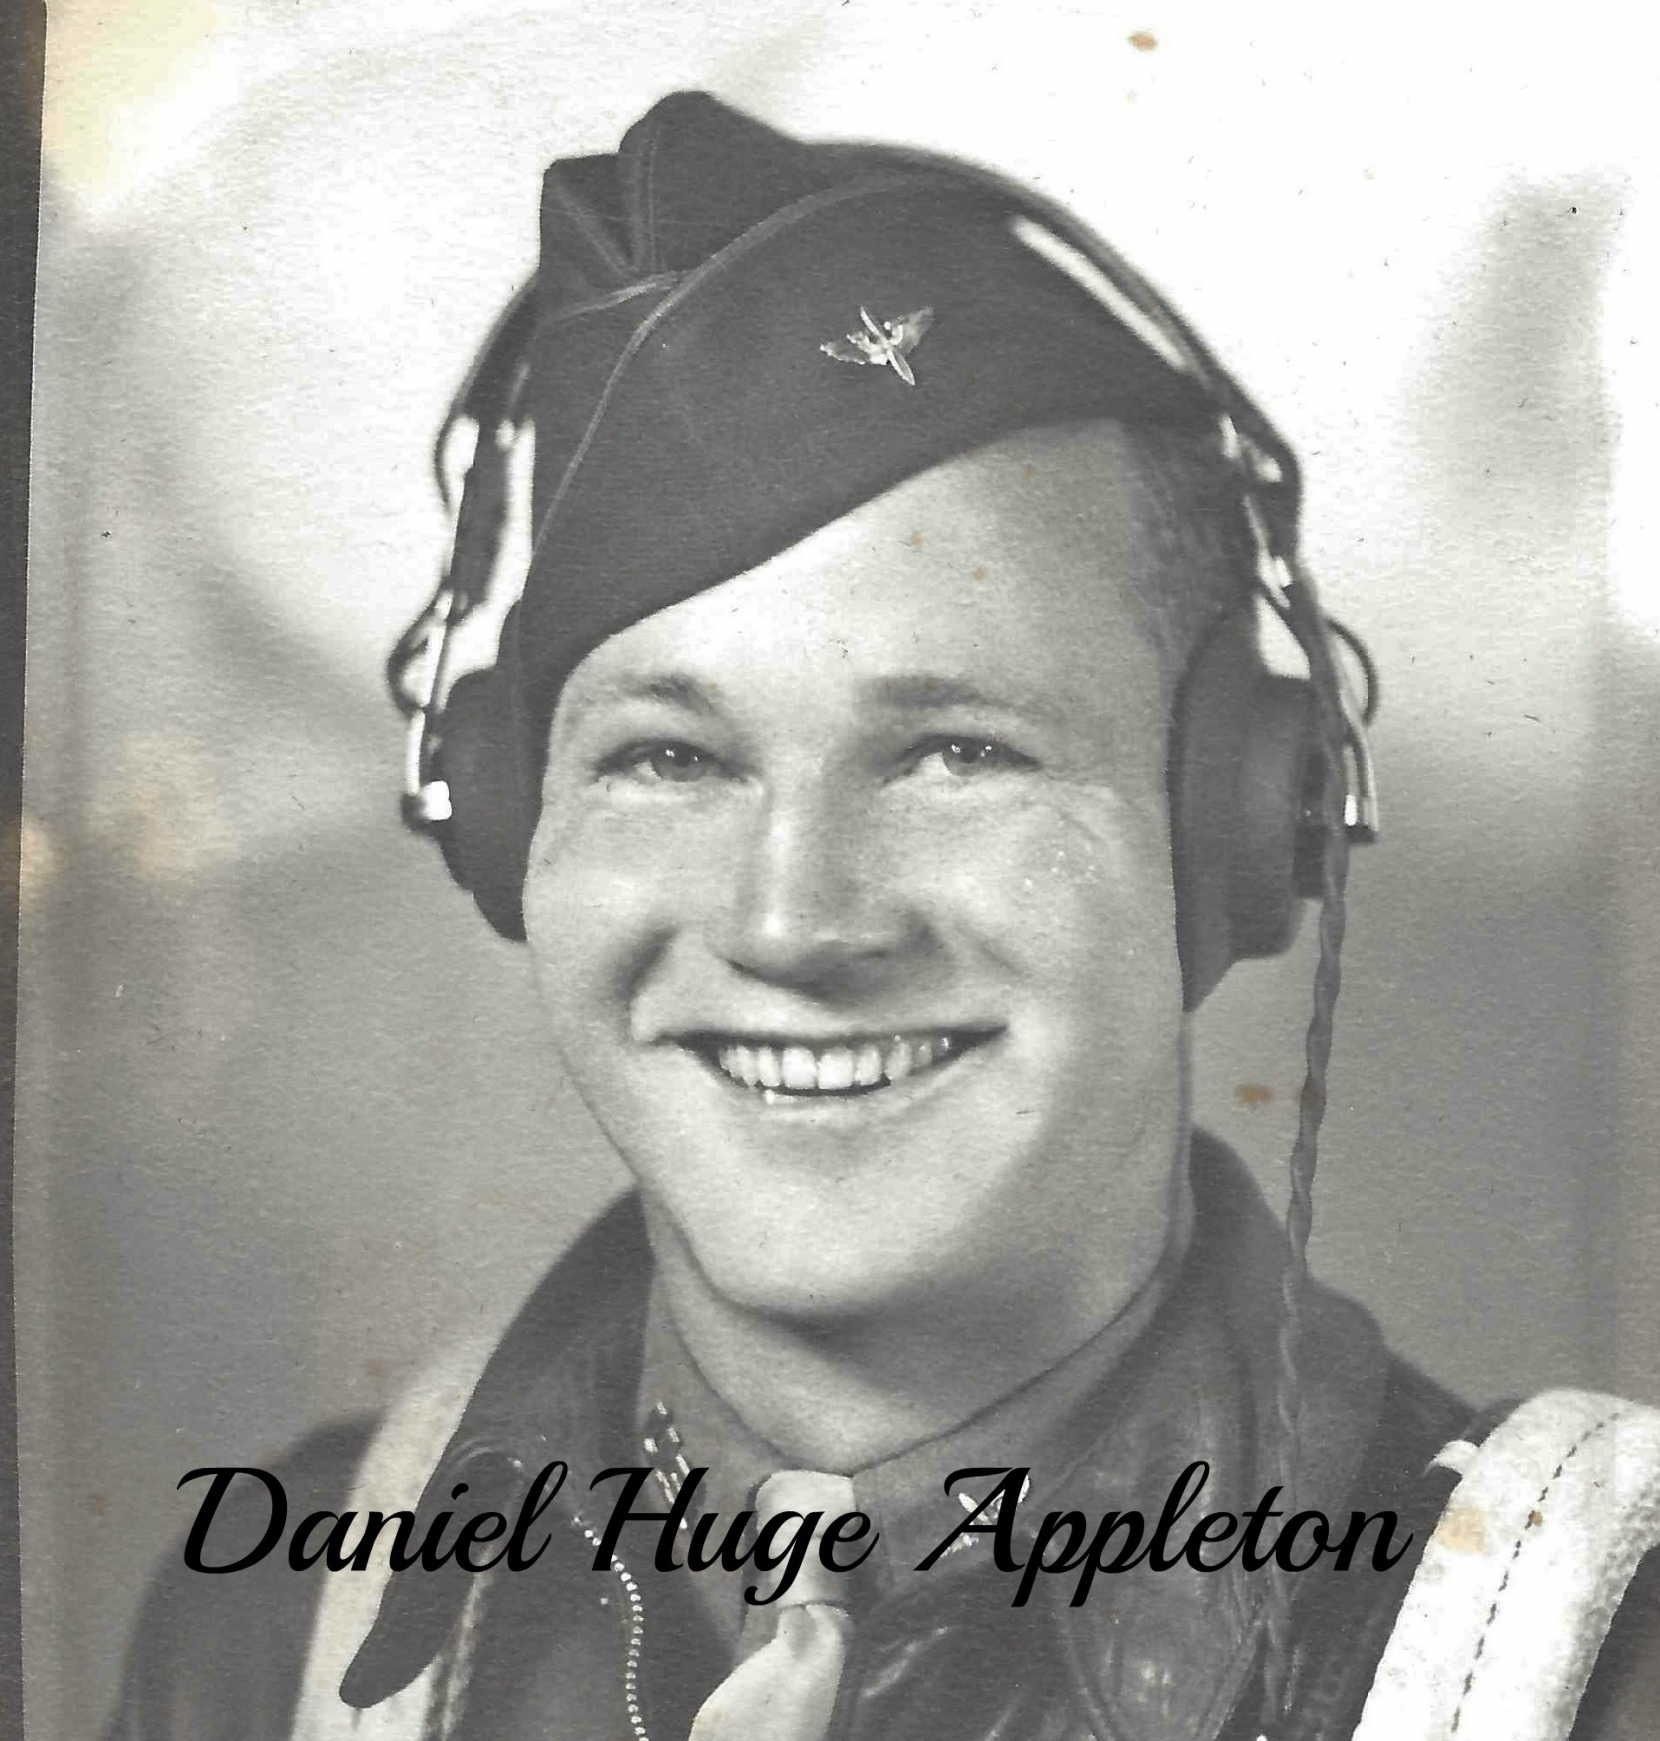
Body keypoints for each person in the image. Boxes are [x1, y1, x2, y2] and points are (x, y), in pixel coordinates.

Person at [108, 91, 1659, 1741]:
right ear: (503, 822)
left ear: (1239, 825)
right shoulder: (274, 1629)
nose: (792, 920)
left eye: (955, 752)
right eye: (668, 755)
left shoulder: (1602, 1663)